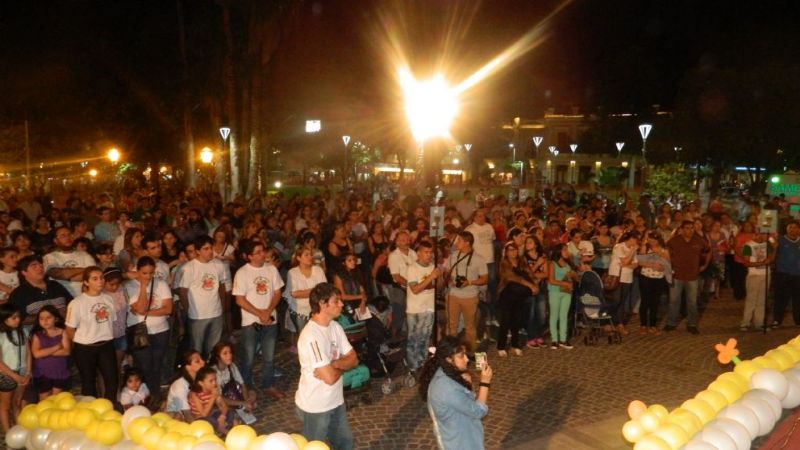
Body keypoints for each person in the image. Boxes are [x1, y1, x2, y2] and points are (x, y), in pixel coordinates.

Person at [295, 282, 358, 449]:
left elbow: (354, 358)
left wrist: (335, 364)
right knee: (315, 446)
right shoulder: (311, 336)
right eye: (336, 301)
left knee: (345, 444)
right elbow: (330, 378)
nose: (342, 304)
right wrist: (341, 366)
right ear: (323, 304)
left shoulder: (335, 327)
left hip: (336, 400)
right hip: (316, 406)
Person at [418, 336, 493, 450]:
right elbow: (478, 411)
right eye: (461, 356)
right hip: (460, 443)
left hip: (462, 435)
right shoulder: (448, 389)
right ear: (448, 359)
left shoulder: (445, 373)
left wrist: (466, 384)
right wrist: (485, 383)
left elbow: (466, 402)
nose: (467, 359)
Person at [233, 240, 285, 399]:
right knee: (248, 357)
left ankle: (268, 384)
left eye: (263, 250)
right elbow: (239, 299)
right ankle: (247, 387)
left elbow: (277, 293)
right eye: (258, 252)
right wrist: (259, 313)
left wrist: (268, 311)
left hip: (270, 320)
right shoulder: (242, 273)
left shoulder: (271, 270)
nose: (263, 254)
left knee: (269, 356)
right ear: (249, 256)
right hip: (250, 322)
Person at [65, 266, 119, 405]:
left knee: (112, 379)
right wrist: (79, 343)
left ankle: (109, 407)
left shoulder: (108, 299)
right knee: (88, 381)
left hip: (106, 344)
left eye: (101, 278)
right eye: (95, 279)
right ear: (86, 282)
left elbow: (110, 321)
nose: (100, 281)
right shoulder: (77, 303)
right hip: (85, 347)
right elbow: (70, 328)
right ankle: (91, 410)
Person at [125, 256, 173, 402]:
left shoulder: (161, 283)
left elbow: (168, 309)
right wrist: (143, 288)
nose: (148, 276)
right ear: (137, 271)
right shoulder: (129, 286)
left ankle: (154, 393)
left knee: (157, 364)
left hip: (160, 331)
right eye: (144, 273)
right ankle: (140, 396)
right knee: (143, 365)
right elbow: (139, 307)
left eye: (151, 273)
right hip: (140, 332)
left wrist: (145, 313)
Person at [177, 235, 230, 358]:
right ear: (197, 251)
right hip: (197, 315)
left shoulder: (219, 265)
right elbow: (183, 291)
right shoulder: (189, 268)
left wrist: (222, 306)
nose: (210, 251)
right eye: (205, 249)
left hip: (216, 313)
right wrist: (188, 309)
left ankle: (211, 372)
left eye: (211, 248)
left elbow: (221, 287)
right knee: (197, 349)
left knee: (215, 349)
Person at [664, 221, 711, 334]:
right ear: (682, 229)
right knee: (674, 301)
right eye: (687, 228)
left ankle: (692, 324)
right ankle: (671, 323)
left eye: (691, 228)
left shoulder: (699, 240)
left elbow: (708, 251)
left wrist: (704, 265)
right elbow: (666, 251)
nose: (690, 230)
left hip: (693, 276)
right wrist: (669, 266)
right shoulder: (675, 240)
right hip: (677, 275)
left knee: (692, 302)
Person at [446, 231, 488, 354]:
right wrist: (449, 280)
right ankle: (450, 352)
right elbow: (447, 272)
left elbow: (484, 279)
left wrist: (469, 282)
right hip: (452, 295)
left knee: (470, 327)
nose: (456, 243)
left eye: (459, 240)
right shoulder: (453, 256)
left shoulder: (478, 259)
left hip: (470, 296)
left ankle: (470, 352)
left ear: (467, 243)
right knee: (451, 326)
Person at [8, 255, 72, 331]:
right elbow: (17, 319)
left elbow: (72, 305)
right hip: (37, 337)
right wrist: (52, 314)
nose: (40, 268)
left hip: (64, 332)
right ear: (24, 272)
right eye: (34, 266)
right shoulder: (18, 293)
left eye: (41, 266)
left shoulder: (55, 285)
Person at [496, 242, 537, 356]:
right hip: (507, 295)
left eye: (515, 250)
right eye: (510, 250)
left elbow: (529, 274)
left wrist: (534, 284)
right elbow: (511, 277)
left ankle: (515, 344)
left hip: (519, 296)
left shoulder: (522, 262)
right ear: (506, 252)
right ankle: (501, 346)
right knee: (505, 320)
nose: (513, 252)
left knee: (516, 320)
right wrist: (530, 285)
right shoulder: (504, 263)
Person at [405, 241, 440, 371]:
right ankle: (413, 365)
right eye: (426, 252)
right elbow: (415, 289)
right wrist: (431, 277)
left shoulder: (432, 267)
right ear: (418, 253)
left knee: (425, 337)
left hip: (429, 307)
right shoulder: (412, 268)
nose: (429, 255)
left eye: (431, 252)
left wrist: (439, 277)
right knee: (414, 338)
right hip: (415, 309)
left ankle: (423, 361)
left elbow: (438, 288)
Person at [286, 247, 327, 352]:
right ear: (299, 258)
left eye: (311, 254)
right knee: (304, 337)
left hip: (316, 309)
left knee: (319, 335)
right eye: (306, 255)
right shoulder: (292, 272)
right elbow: (294, 294)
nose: (310, 257)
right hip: (300, 310)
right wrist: (315, 290)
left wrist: (304, 292)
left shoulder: (318, 270)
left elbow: (324, 289)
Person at [0, 304, 30, 432]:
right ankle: (8, 434)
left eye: (18, 317)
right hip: (6, 373)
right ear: (4, 319)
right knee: (5, 406)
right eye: (13, 317)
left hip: (22, 371)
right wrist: (14, 375)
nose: (18, 319)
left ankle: (19, 430)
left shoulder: (23, 331)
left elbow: (29, 353)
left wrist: (28, 371)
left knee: (17, 403)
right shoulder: (1, 335)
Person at [43, 225, 96, 297]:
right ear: (55, 240)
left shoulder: (84, 254)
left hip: (84, 296)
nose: (68, 238)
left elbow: (93, 274)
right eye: (63, 236)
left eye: (70, 234)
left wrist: (67, 276)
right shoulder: (50, 257)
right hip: (61, 297)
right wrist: (84, 270)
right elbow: (57, 274)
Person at [30, 306, 70, 401]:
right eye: (42, 318)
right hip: (42, 373)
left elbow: (66, 351)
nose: (45, 321)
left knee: (56, 400)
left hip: (59, 371)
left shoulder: (62, 332)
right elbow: (36, 354)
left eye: (48, 317)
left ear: (56, 318)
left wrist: (44, 352)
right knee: (44, 401)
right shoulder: (37, 335)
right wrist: (56, 347)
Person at [208, 342, 256, 418]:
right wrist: (243, 402)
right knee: (225, 409)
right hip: (221, 400)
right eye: (225, 353)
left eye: (230, 352)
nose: (229, 356)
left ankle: (242, 408)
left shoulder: (232, 366)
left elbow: (242, 384)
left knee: (252, 394)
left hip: (234, 395)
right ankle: (237, 410)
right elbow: (219, 397)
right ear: (217, 357)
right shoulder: (213, 372)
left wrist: (247, 401)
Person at [741, 231, 776, 331]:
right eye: (757, 234)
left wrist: (774, 248)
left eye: (763, 234)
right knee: (751, 300)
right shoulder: (748, 246)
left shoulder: (766, 245)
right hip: (754, 275)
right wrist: (761, 263)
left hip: (766, 274)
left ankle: (759, 323)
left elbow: (771, 258)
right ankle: (745, 323)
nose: (760, 236)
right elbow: (746, 263)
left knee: (762, 300)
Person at [637, 233, 671, 335]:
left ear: (659, 240)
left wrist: (662, 264)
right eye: (651, 239)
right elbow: (640, 262)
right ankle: (643, 325)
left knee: (655, 302)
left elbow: (668, 262)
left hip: (659, 278)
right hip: (645, 277)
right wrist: (652, 265)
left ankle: (653, 325)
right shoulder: (645, 247)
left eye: (654, 240)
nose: (652, 242)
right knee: (645, 301)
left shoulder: (664, 249)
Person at [547, 244, 578, 349]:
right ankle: (554, 340)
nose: (566, 252)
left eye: (567, 250)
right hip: (555, 292)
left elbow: (575, 278)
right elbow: (551, 280)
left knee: (564, 315)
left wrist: (573, 275)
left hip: (566, 292)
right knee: (554, 315)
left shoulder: (568, 264)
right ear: (559, 251)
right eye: (564, 250)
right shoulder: (553, 264)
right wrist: (565, 284)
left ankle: (563, 339)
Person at [387, 231, 417, 337]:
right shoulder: (394, 256)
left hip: (414, 288)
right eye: (403, 240)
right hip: (400, 289)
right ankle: (392, 339)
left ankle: (410, 336)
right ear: (397, 242)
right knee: (398, 315)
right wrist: (411, 285)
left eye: (408, 240)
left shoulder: (413, 253)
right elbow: (396, 277)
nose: (406, 242)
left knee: (412, 315)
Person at [772, 220, 800, 328]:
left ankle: (798, 320)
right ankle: (777, 320)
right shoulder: (780, 240)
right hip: (783, 274)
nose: (793, 229)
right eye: (790, 227)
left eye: (795, 227)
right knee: (780, 298)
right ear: (787, 229)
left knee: (797, 299)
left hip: (798, 275)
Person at [189, 366, 234, 434]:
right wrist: (213, 397)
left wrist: (222, 417)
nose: (214, 383)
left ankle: (222, 427)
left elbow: (224, 406)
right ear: (201, 383)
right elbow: (204, 414)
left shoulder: (213, 390)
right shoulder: (195, 395)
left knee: (230, 411)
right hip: (200, 420)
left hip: (212, 415)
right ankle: (226, 432)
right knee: (212, 420)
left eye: (215, 380)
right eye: (211, 381)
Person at [166, 349, 205, 420]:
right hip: (178, 420)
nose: (203, 362)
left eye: (202, 359)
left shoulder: (201, 380)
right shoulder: (180, 385)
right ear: (188, 367)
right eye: (197, 361)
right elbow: (186, 413)